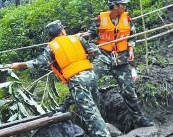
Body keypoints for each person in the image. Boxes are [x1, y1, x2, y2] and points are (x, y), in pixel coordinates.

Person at [10, 20, 117, 137]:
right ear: (62, 31)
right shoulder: (77, 38)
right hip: (91, 75)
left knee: (89, 111)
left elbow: (38, 63)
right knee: (91, 109)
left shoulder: (51, 47)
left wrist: (19, 65)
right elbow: (95, 52)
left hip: (77, 80)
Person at [58, 0, 154, 128]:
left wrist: (131, 50)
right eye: (123, 4)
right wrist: (80, 37)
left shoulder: (127, 19)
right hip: (104, 56)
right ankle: (65, 104)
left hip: (121, 58)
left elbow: (132, 36)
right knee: (87, 80)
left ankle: (138, 119)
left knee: (129, 90)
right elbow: (91, 34)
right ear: (115, 6)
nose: (125, 6)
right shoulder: (99, 20)